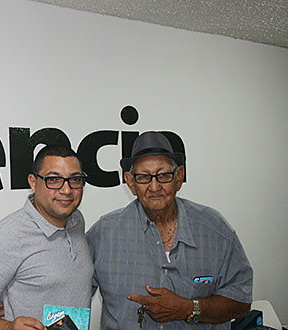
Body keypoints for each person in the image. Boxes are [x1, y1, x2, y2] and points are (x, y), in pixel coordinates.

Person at [86, 131, 253, 329]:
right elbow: (71, 292)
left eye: (163, 175)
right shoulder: (104, 235)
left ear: (179, 177)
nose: (154, 187)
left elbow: (241, 302)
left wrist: (189, 308)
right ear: (131, 183)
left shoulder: (215, 230)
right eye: (144, 177)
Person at [0, 145, 94, 330]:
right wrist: (7, 327)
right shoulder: (7, 235)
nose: (66, 190)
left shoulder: (76, 220)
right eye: (54, 180)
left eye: (75, 179)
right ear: (33, 182)